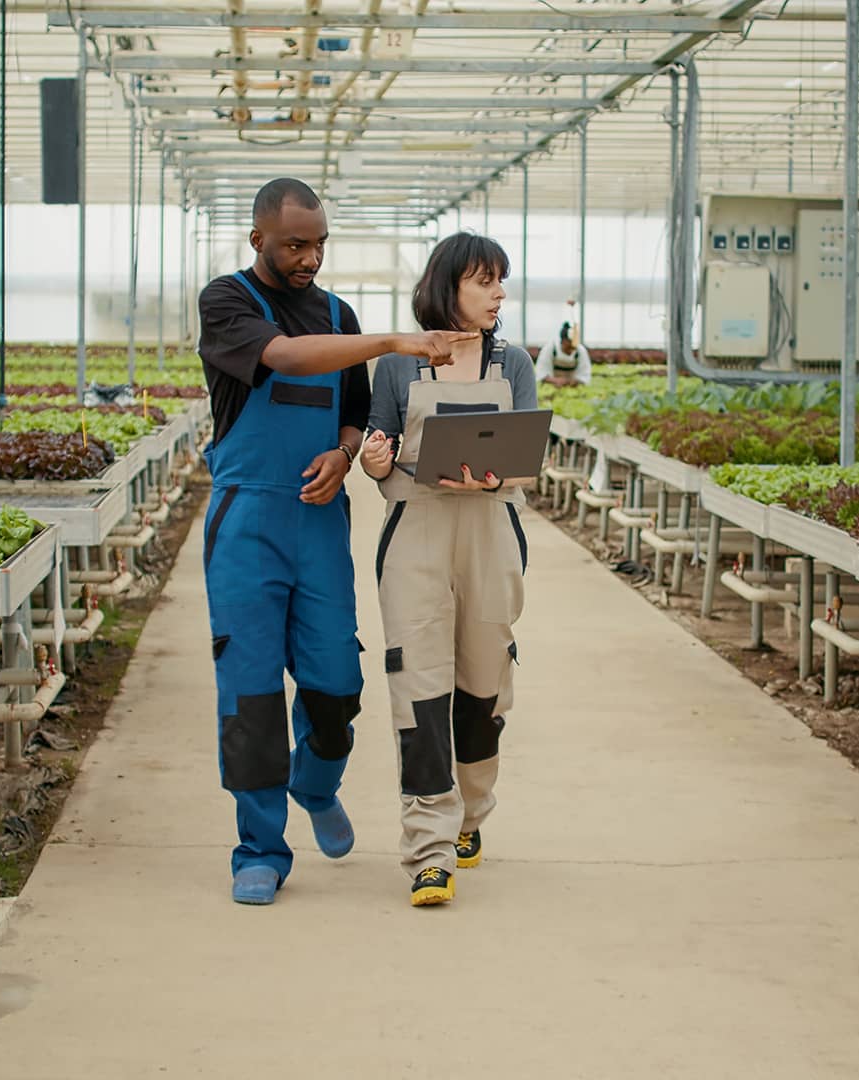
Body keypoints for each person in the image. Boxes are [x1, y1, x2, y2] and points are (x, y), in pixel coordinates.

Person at [196, 177, 475, 906]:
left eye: (319, 243)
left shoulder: (337, 314)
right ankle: (259, 848)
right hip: (248, 520)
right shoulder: (226, 303)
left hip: (317, 523)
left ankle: (315, 783)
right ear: (258, 239)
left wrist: (344, 454)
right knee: (250, 693)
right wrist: (390, 340)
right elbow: (284, 359)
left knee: (337, 685)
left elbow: (352, 412)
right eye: (295, 244)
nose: (310, 258)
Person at [359, 232, 538, 907]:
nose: (498, 294)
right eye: (484, 281)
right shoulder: (401, 364)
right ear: (447, 286)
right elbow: (381, 442)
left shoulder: (514, 361)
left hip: (491, 530)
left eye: (501, 281)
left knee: (484, 687)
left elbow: (527, 448)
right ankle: (428, 851)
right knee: (420, 686)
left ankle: (471, 816)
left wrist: (497, 472)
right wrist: (377, 459)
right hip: (418, 531)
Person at [535, 313, 592, 387]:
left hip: (573, 389)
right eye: (569, 346)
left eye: (573, 348)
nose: (571, 350)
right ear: (563, 340)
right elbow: (541, 373)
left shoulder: (580, 351)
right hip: (551, 388)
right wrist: (555, 381)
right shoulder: (550, 349)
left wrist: (572, 381)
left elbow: (584, 375)